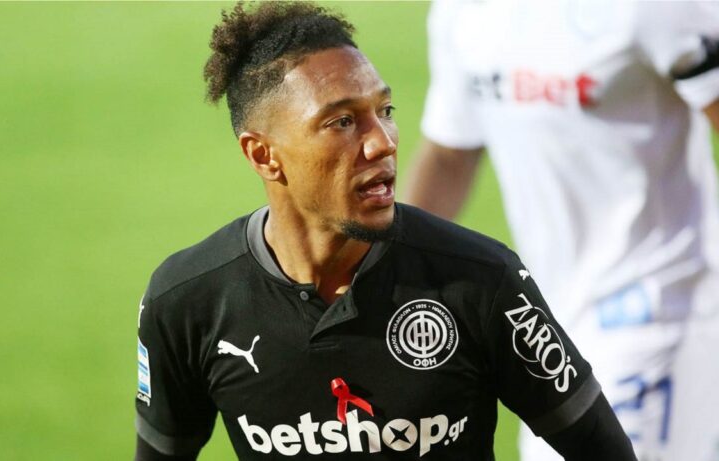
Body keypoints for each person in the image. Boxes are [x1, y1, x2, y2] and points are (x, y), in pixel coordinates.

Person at [134, 3, 636, 460]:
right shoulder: (187, 301)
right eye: (342, 121)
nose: (383, 142)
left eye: (385, 111)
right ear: (263, 154)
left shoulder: (481, 280)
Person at [405, 1, 719, 460]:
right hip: (547, 323)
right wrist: (386, 272)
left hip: (660, 309)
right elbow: (450, 155)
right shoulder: (462, 11)